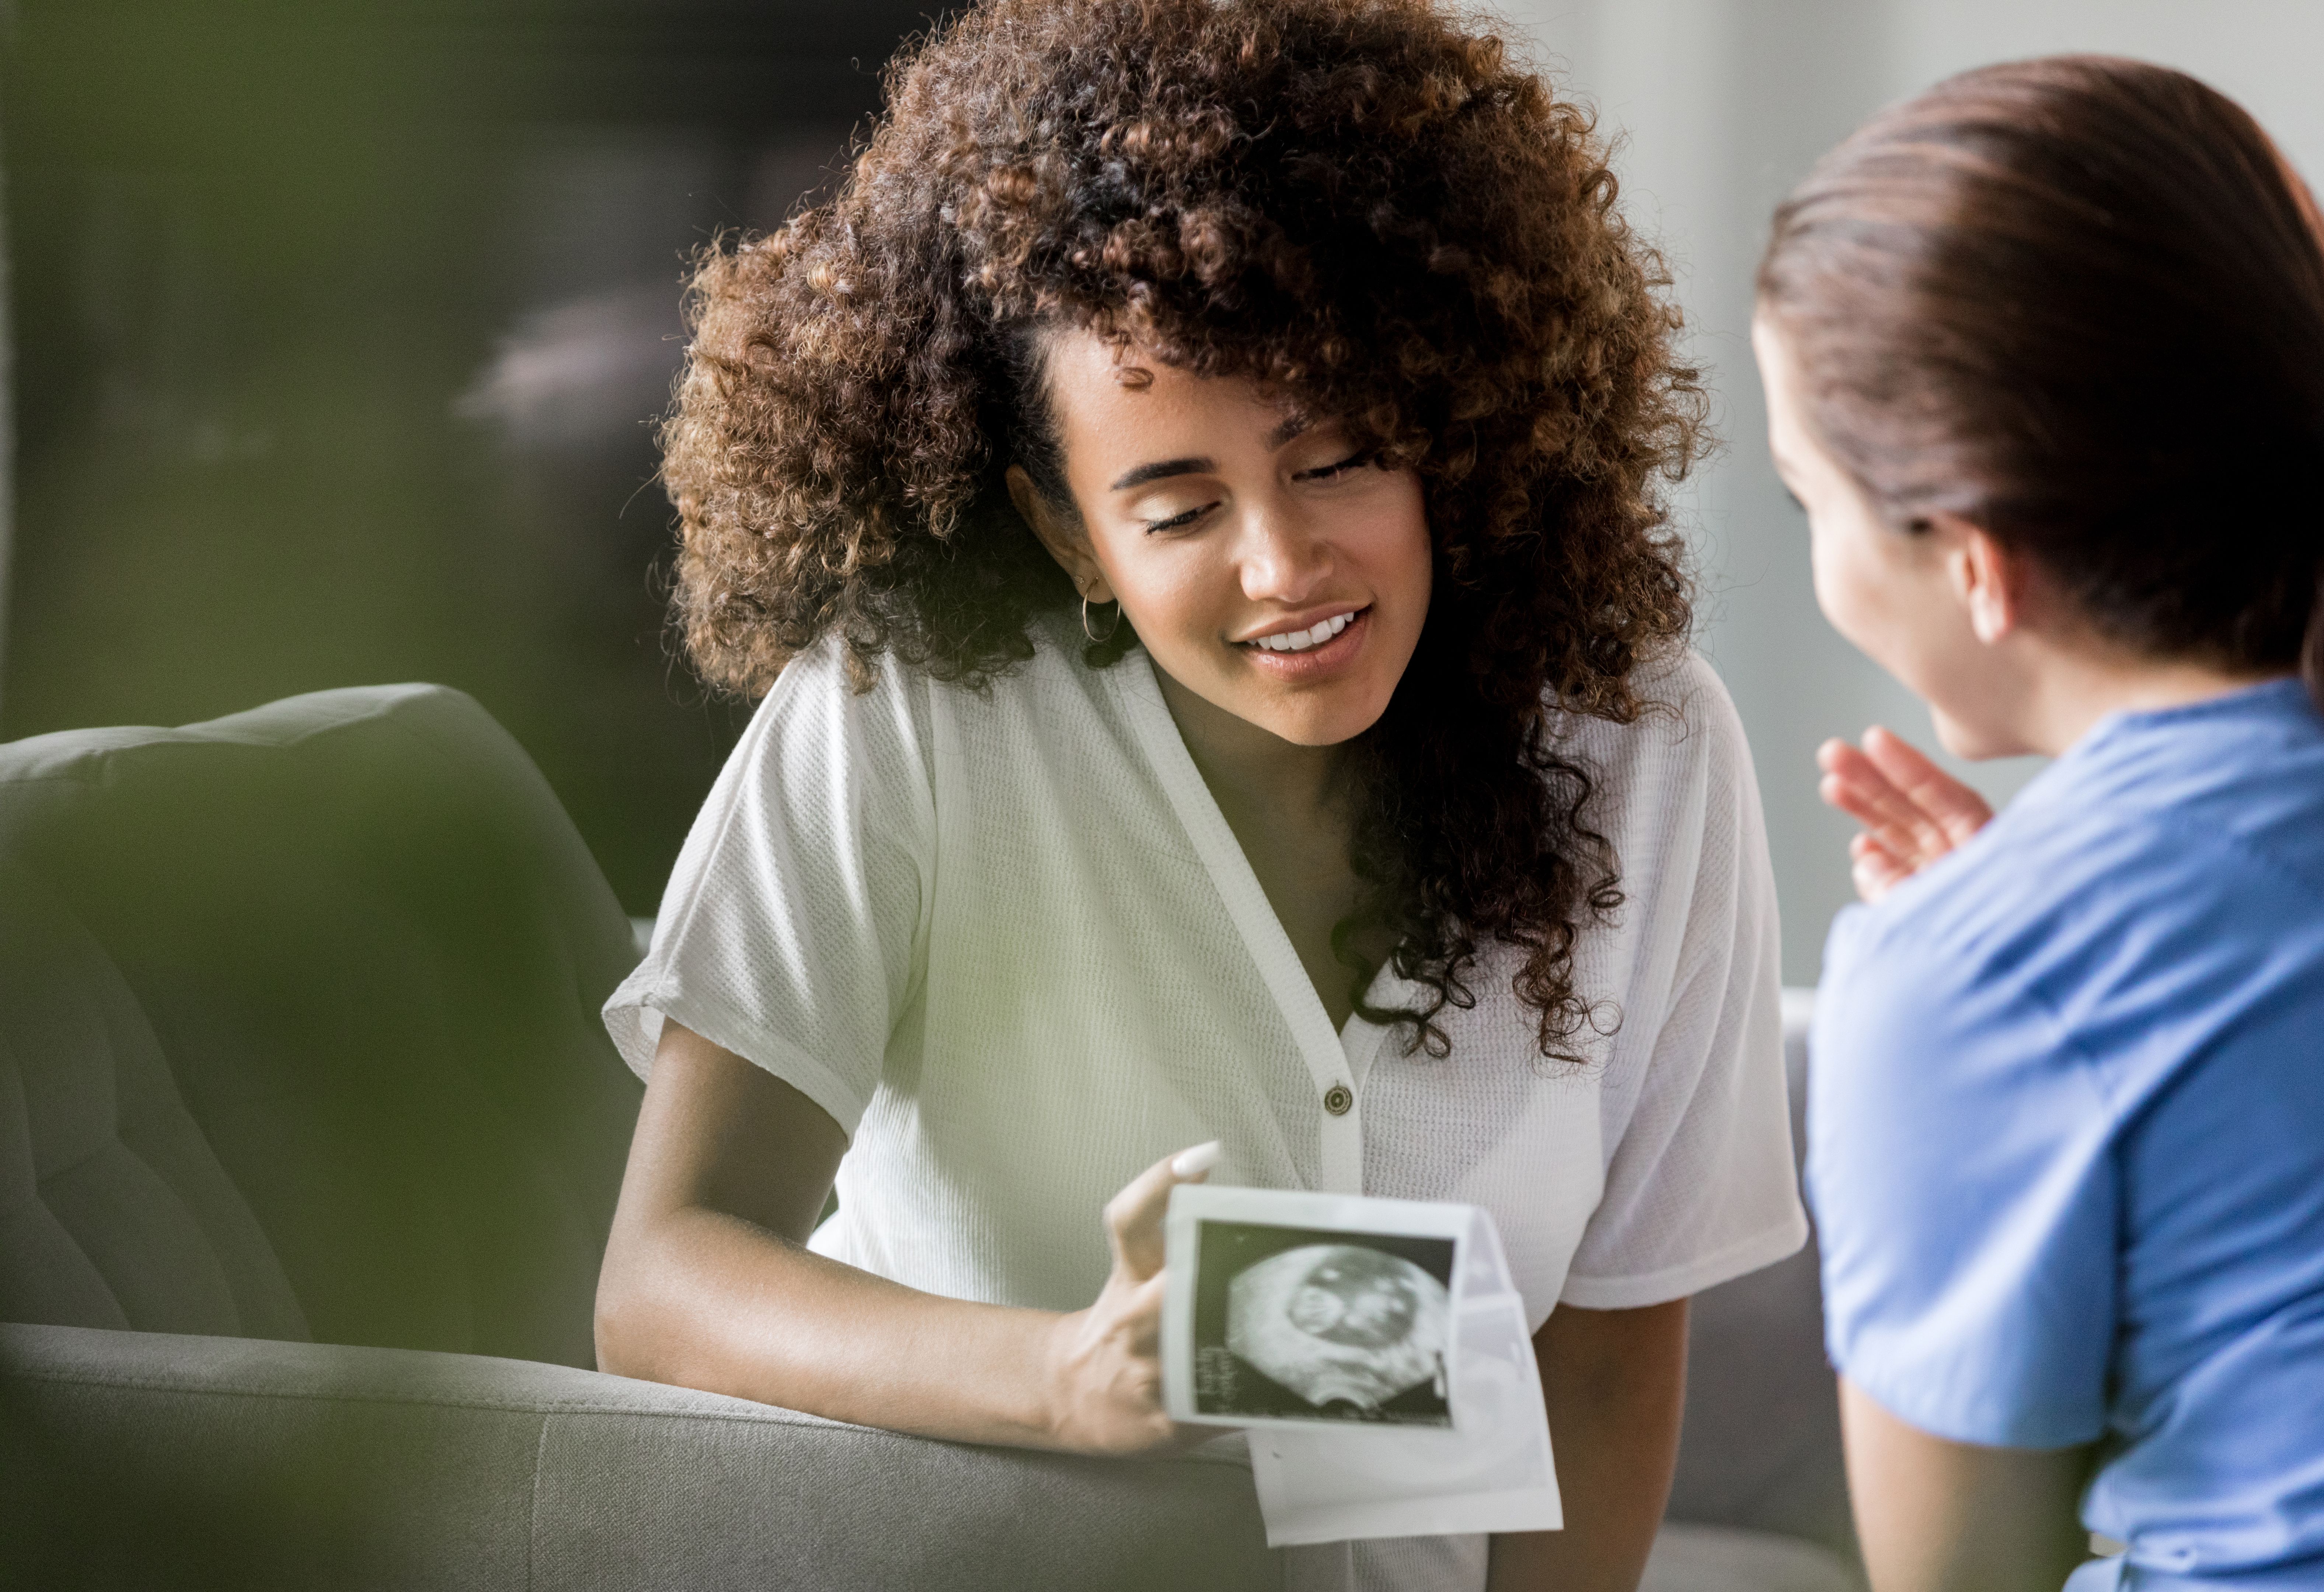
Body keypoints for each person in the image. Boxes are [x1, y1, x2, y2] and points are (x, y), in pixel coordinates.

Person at [591, 1, 1809, 1588]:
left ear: (1447, 423)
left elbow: (1607, 1349)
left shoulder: (1645, 746)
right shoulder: (901, 722)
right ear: (1061, 533)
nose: (1286, 565)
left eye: (1340, 459)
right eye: (1177, 508)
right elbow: (662, 1282)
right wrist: (1069, 1378)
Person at [1755, 56, 2324, 1592]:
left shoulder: (1965, 978)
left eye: (1808, 503)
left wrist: (2006, 983)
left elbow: (1963, 1579)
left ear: (1973, 558)